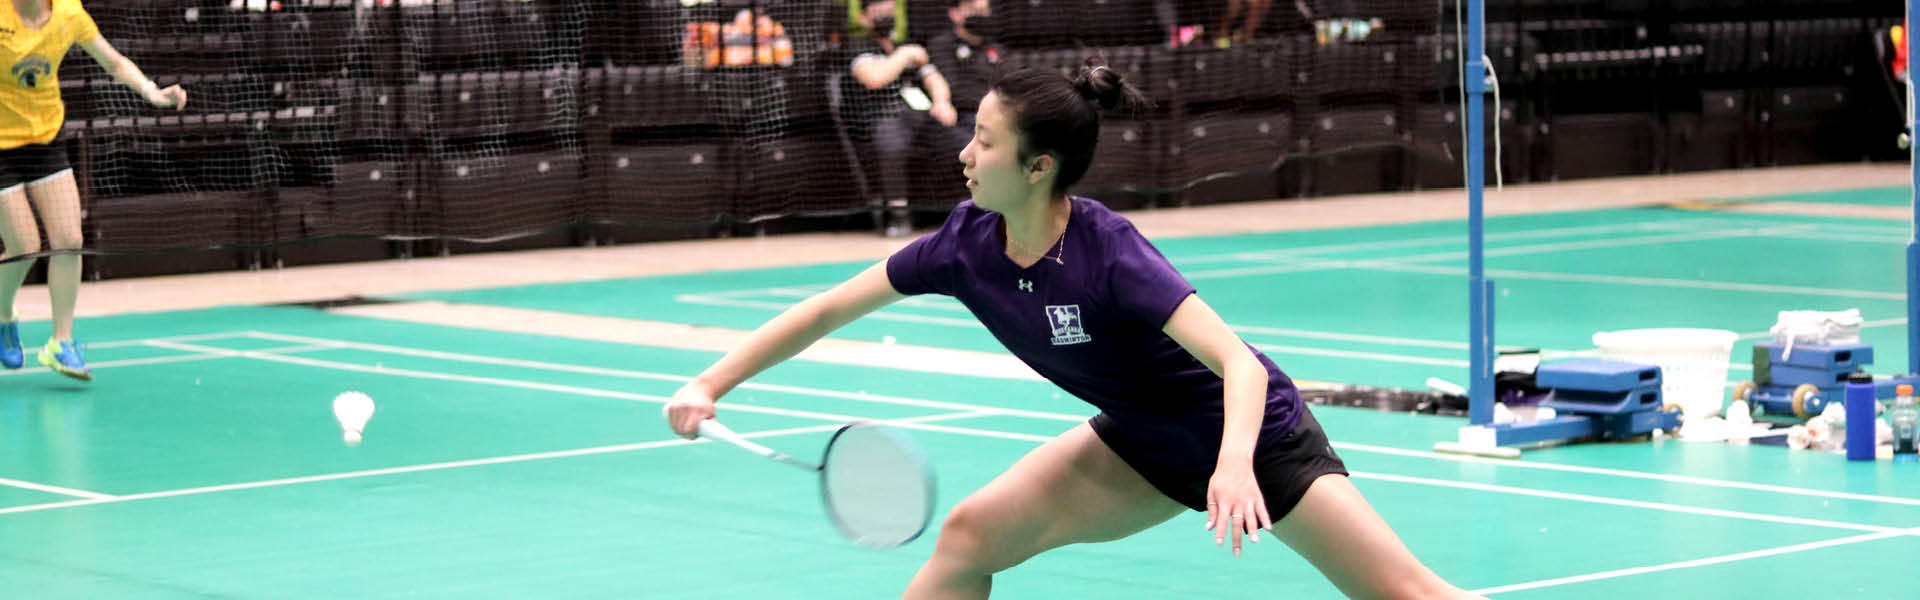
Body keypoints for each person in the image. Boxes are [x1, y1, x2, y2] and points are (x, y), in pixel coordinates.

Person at [665, 58, 1478, 600]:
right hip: (1141, 443)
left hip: (1254, 444)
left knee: (1407, 593)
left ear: (1038, 166)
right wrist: (712, 381)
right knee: (971, 534)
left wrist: (1233, 469)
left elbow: (1240, 365)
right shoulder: (964, 246)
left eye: (984, 141)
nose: (965, 156)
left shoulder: (1109, 253)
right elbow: (824, 311)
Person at [0, 0, 186, 380]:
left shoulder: (69, 13)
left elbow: (113, 62)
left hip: (45, 137)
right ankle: (3, 316)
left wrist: (152, 93)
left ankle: (61, 343)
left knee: (69, 238)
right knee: (25, 246)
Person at [846, 0, 957, 236]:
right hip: (880, 117)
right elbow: (875, 78)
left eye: (889, 10)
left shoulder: (904, 44)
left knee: (957, 138)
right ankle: (898, 214)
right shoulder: (858, 47)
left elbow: (933, 78)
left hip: (918, 115)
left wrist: (942, 102)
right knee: (891, 142)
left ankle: (961, 210)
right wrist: (904, 54)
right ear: (865, 18)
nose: (886, 15)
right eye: (879, 11)